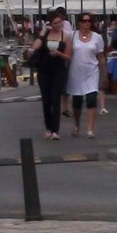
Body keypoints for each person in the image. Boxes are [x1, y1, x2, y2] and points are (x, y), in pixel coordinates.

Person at [26, 12, 72, 140]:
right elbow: (34, 47)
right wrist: (42, 33)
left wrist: (58, 53)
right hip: (44, 70)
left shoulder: (66, 36)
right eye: (55, 23)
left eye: (60, 22)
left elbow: (69, 57)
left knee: (55, 99)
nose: (58, 25)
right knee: (46, 100)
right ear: (50, 24)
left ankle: (56, 130)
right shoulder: (45, 35)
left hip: (58, 70)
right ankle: (49, 127)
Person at [67, 12, 106, 138]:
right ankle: (77, 125)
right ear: (79, 23)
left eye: (89, 21)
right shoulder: (72, 36)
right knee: (77, 102)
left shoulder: (97, 37)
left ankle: (90, 129)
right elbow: (67, 54)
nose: (87, 23)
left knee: (91, 99)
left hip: (92, 72)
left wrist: (104, 74)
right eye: (84, 21)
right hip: (76, 72)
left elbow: (101, 58)